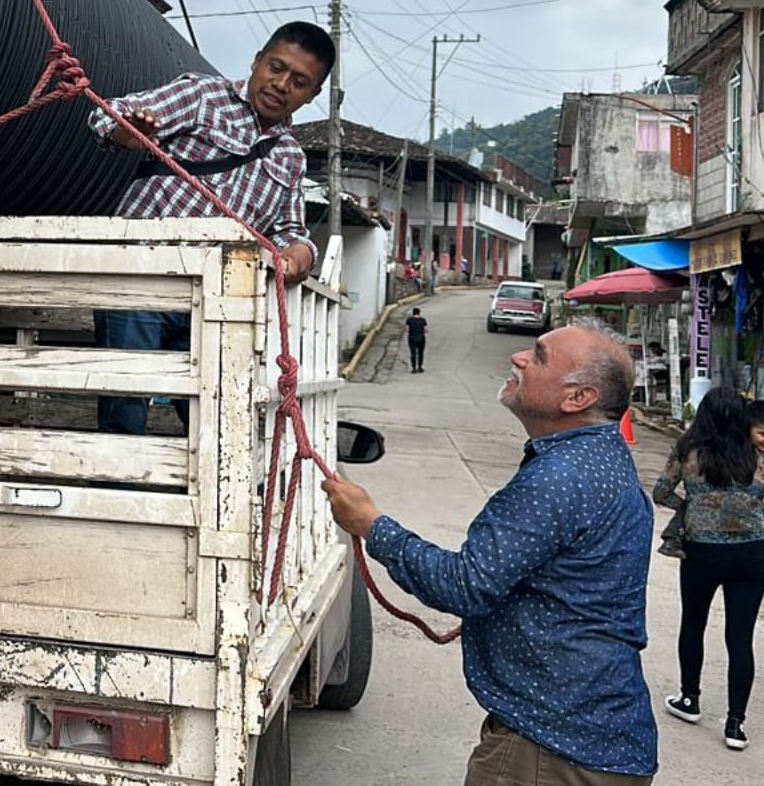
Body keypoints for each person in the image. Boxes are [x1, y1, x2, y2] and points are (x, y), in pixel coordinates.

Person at [323, 321, 657, 784]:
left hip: (552, 746)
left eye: (539, 356)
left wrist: (370, 525)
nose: (518, 358)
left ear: (578, 398)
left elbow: (464, 585)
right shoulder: (602, 457)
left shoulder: (561, 476)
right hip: (590, 736)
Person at [87, 21, 332, 435]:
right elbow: (104, 113)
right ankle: (117, 476)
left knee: (214, 422)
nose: (281, 84)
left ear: (313, 94)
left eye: (299, 81)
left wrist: (301, 252)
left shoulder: (291, 157)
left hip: (216, 300)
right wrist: (128, 133)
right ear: (257, 61)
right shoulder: (202, 97)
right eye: (276, 68)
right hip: (142, 280)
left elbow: (289, 230)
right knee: (126, 405)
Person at [653, 386, 764, 752]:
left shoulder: (687, 450)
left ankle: (690, 699)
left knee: (693, 623)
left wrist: (691, 507)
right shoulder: (756, 454)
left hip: (701, 552)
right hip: (752, 553)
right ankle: (735, 724)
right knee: (740, 639)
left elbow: (661, 492)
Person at [404, 306, 428, 373]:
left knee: (413, 353)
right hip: (421, 338)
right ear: (419, 313)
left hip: (412, 338)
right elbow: (426, 330)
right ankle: (420, 367)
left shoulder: (409, 320)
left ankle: (414, 368)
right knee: (420, 353)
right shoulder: (423, 320)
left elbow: (407, 330)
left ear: (413, 313)